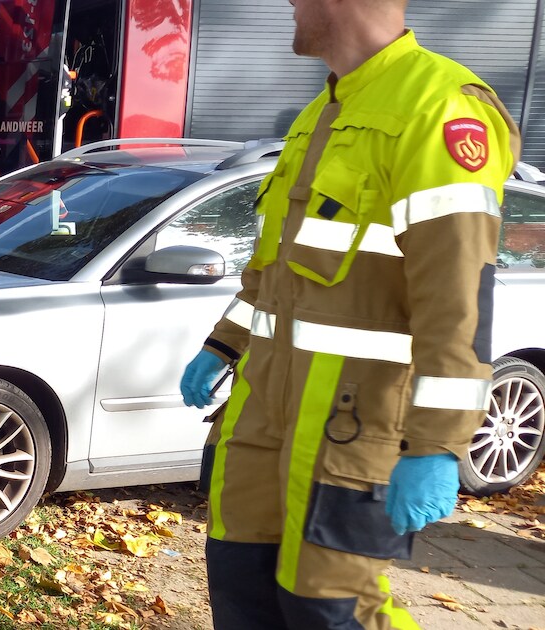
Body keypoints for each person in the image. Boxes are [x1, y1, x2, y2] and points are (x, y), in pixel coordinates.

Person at [178, 0, 519, 628]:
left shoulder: (440, 106)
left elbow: (457, 296)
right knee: (241, 586)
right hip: (264, 408)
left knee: (330, 609)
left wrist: (438, 443)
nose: (288, 4)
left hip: (352, 418)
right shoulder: (323, 111)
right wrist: (223, 344)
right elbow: (276, 269)